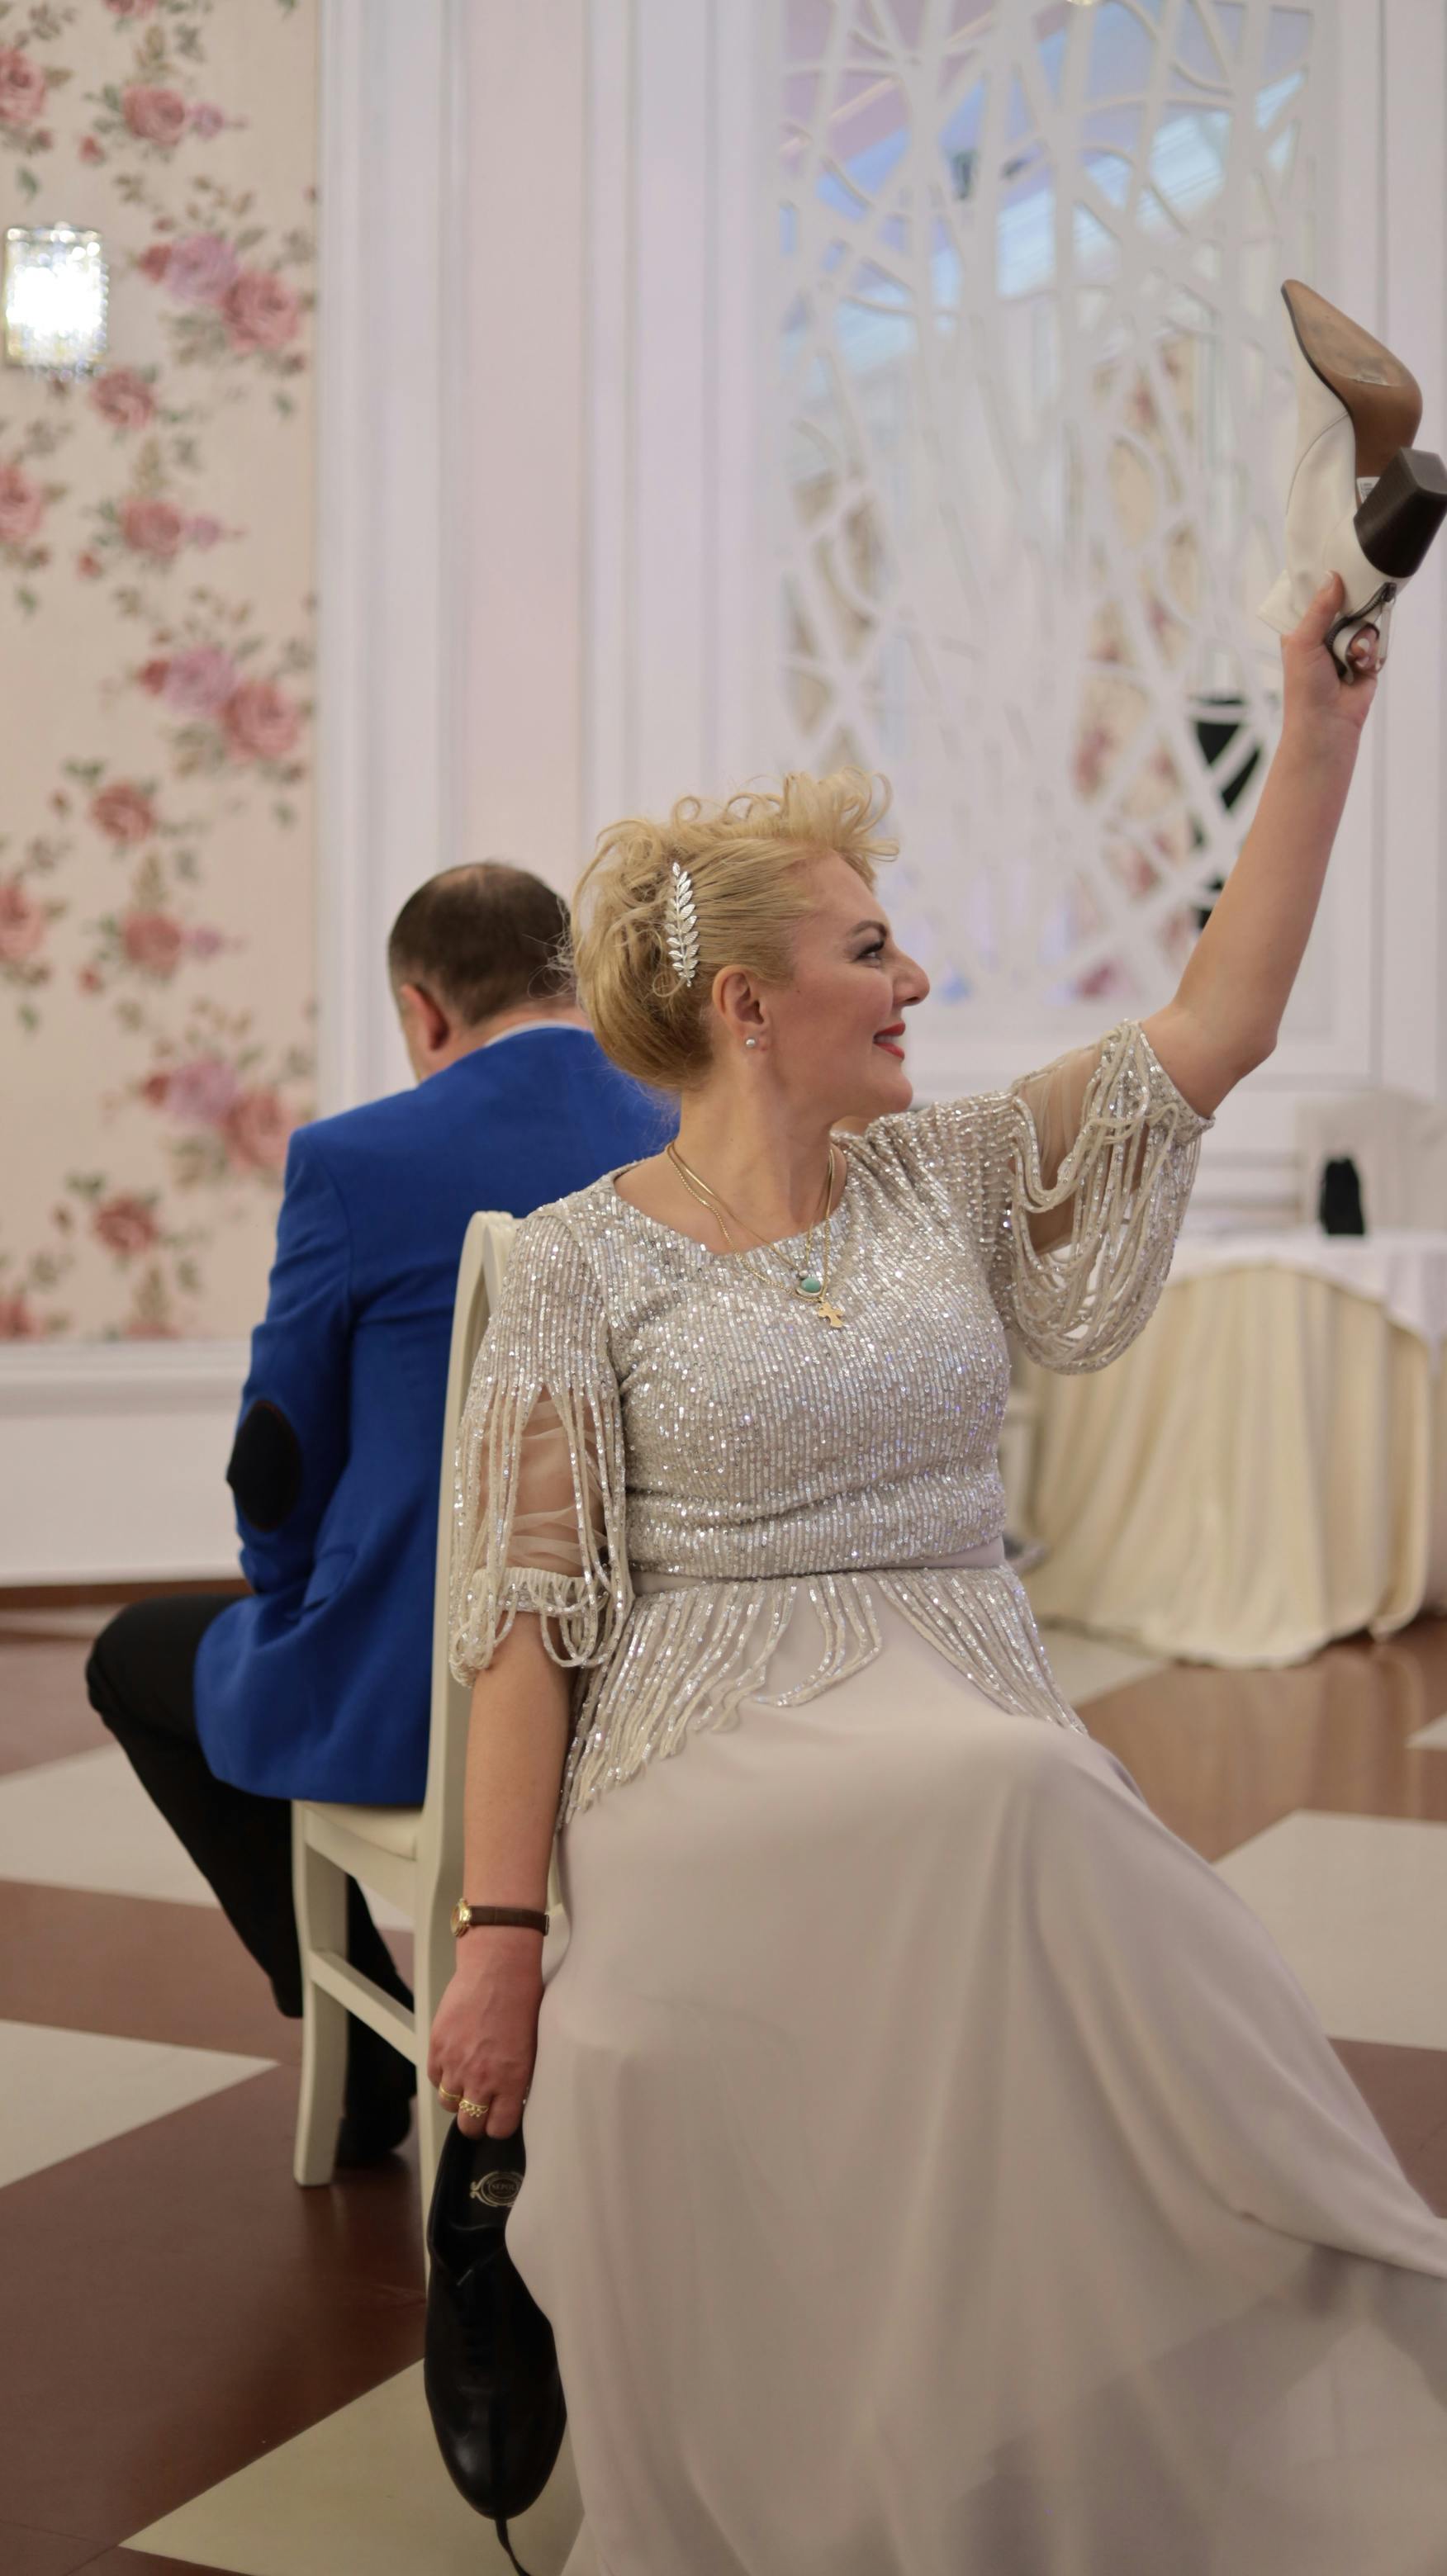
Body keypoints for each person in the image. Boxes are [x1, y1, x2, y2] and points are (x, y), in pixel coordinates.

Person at [429, 584, 1447, 2576]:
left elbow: (1216, 1023)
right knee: (984, 1822)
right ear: (744, 1001)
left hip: (963, 1699)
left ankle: (1190, 2332)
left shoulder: (956, 1171)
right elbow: (528, 1628)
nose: (920, 978)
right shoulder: (570, 1259)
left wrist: (1316, 739)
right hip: (703, 1753)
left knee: (1019, 1796)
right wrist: (495, 1935)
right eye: (872, 947)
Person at [87, 862, 667, 2165]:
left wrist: (283, 1590)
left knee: (136, 1658)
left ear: (423, 1011)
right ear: (571, 976)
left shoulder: (355, 1160)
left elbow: (279, 1456)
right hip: (657, 1676)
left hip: (432, 1690)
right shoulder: (687, 1125)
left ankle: (355, 2049)